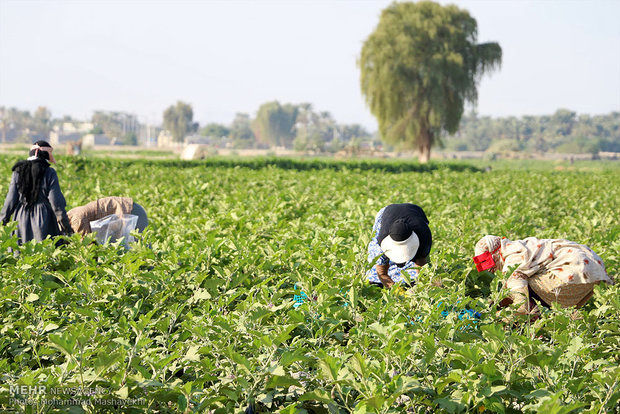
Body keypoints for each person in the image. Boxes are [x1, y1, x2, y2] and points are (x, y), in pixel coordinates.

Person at [473, 235, 614, 317]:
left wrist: (499, 318)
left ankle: (538, 319)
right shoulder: (521, 246)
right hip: (592, 270)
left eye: (488, 263)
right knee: (517, 289)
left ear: (495, 254)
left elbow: (522, 305)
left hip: (572, 271)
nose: (489, 269)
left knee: (525, 295)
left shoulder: (512, 260)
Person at [0, 141, 72, 243]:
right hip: (44, 218)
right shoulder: (49, 172)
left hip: (20, 219)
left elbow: (10, 200)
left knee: (21, 253)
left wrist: (3, 221)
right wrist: (66, 227)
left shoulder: (18, 171)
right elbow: (56, 203)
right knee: (45, 252)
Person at [367, 203, 432, 288]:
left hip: (415, 212)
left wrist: (425, 285)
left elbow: (421, 268)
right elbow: (381, 272)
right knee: (375, 275)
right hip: (388, 214)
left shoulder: (423, 237)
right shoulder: (381, 240)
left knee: (416, 271)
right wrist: (397, 291)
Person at [67, 196, 148, 235]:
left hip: (131, 212)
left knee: (140, 250)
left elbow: (87, 247)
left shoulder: (76, 220)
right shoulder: (70, 214)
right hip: (129, 211)